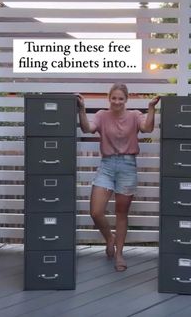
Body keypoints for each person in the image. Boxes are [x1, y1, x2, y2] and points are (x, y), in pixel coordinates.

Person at [76, 83, 160, 272]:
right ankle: (110, 239)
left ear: (126, 100)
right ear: (109, 98)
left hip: (127, 166)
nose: (117, 101)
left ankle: (119, 254)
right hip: (106, 166)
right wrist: (81, 110)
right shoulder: (101, 115)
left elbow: (147, 128)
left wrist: (151, 108)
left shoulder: (135, 115)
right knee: (96, 212)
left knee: (121, 213)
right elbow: (87, 129)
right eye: (113, 98)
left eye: (120, 98)